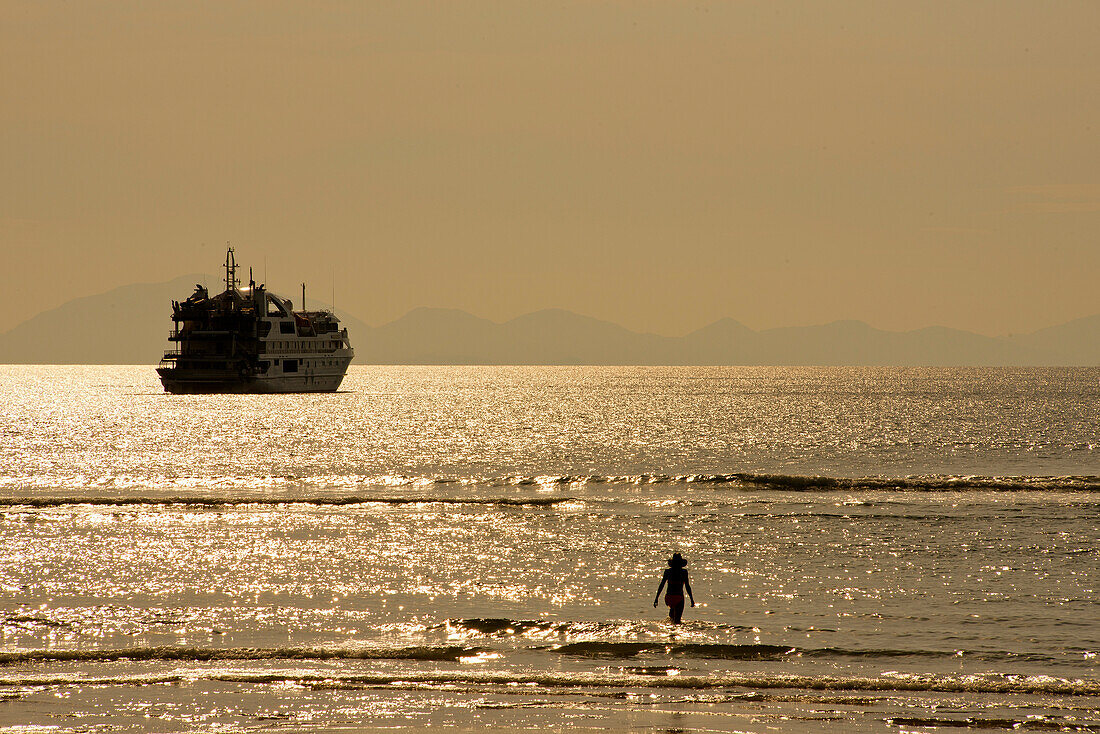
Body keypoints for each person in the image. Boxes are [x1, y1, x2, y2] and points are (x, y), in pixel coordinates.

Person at [653, 552, 695, 623]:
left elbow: (662, 585)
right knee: (677, 621)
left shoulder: (668, 571)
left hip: (669, 598)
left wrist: (656, 598)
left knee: (671, 618)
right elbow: (687, 586)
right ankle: (675, 632)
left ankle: (669, 630)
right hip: (679, 597)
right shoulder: (683, 572)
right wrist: (691, 599)